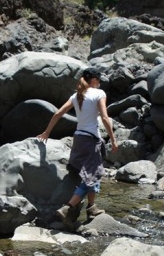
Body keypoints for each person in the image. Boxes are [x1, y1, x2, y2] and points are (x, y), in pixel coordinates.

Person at [37, 67, 118, 229]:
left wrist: (47, 132)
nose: (100, 82)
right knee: (93, 174)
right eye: (99, 79)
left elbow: (58, 113)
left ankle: (90, 207)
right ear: (94, 79)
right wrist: (114, 140)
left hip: (78, 139)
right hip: (90, 140)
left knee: (88, 175)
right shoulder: (99, 93)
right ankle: (69, 207)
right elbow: (104, 117)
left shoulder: (76, 96)